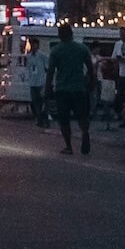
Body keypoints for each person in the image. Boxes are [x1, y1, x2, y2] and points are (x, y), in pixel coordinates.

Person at [45, 23, 95, 155]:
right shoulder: (82, 49)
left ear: (60, 35)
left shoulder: (56, 51)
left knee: (64, 119)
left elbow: (50, 71)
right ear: (71, 34)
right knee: (82, 115)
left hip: (62, 89)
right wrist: (92, 83)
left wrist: (47, 88)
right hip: (79, 88)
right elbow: (90, 68)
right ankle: (85, 132)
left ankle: (69, 146)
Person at [23, 37, 50, 128]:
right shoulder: (29, 57)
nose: (33, 46)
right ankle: (39, 119)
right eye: (32, 45)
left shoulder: (42, 56)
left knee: (42, 102)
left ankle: (43, 120)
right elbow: (28, 68)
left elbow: (47, 68)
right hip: (33, 82)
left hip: (41, 82)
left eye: (35, 45)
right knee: (35, 102)